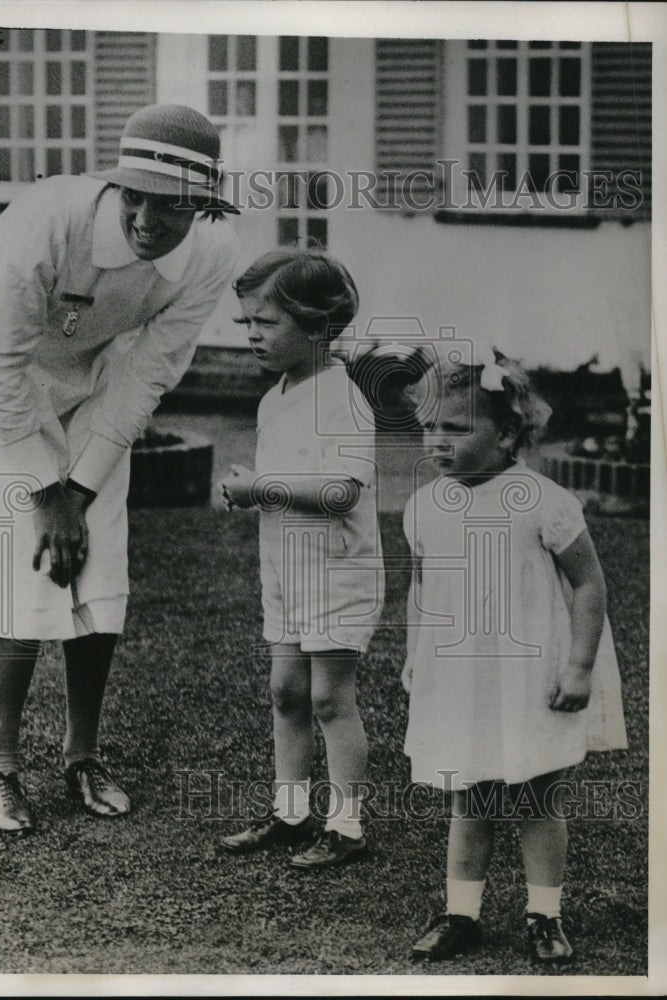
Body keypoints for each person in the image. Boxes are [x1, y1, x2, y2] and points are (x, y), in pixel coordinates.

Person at [0, 104, 240, 834]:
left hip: (97, 383)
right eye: (133, 196)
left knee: (97, 556)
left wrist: (80, 488)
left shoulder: (212, 252)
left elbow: (150, 372)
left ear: (201, 205)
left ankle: (82, 754)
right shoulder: (49, 215)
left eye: (169, 205)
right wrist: (47, 492)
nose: (144, 218)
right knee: (24, 554)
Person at [401, 348, 628, 962]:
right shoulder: (424, 506)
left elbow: (590, 583)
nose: (438, 442)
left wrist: (578, 666)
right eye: (429, 428)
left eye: (456, 427)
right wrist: (414, 655)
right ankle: (461, 913)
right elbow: (423, 589)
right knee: (468, 793)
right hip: (460, 672)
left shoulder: (542, 500)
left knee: (535, 795)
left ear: (505, 433)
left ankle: (544, 914)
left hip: (531, 671)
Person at [217, 249, 385, 869]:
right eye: (248, 324)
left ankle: (347, 827)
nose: (254, 336)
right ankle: (291, 812)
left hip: (337, 571)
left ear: (318, 327)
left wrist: (261, 488)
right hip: (287, 566)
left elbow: (343, 491)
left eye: (268, 323)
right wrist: (254, 489)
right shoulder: (275, 398)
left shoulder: (342, 399)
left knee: (329, 699)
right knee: (286, 690)